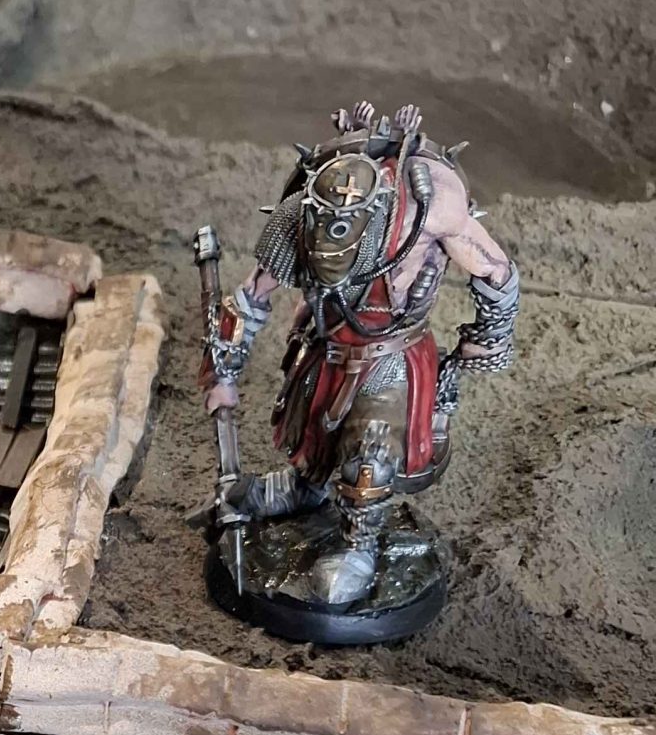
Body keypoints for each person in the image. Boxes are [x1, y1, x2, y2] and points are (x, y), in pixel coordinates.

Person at [203, 99, 518, 609]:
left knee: (371, 447)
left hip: (391, 352)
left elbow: (496, 272)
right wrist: (224, 371)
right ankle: (305, 489)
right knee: (313, 430)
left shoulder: (425, 213)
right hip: (326, 343)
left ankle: (359, 543)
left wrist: (486, 339)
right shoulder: (299, 215)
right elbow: (252, 294)